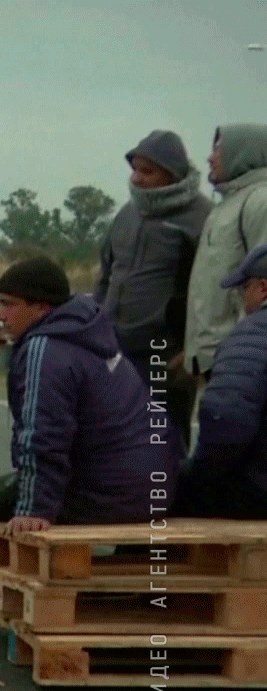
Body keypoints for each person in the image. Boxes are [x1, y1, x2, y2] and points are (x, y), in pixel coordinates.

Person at [0, 258, 176, 534]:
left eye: (9, 304)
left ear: (41, 307)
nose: (0, 314)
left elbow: (43, 435)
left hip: (111, 494)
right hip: (158, 487)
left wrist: (33, 509)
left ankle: (45, 574)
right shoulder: (88, 329)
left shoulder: (44, 350)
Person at [96, 131, 213, 455]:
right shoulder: (126, 214)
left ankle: (167, 505)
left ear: (172, 174)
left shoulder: (201, 218)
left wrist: (194, 348)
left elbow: (212, 291)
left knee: (163, 448)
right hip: (115, 351)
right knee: (114, 446)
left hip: (166, 354)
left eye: (148, 172)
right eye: (135, 170)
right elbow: (106, 275)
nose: (137, 179)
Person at [176, 241, 267, 519]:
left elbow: (226, 418)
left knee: (159, 488)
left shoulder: (251, 334)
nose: (243, 298)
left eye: (244, 289)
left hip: (256, 492)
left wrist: (200, 474)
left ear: (263, 287)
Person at [184, 125, 267, 379]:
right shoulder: (225, 207)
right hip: (216, 360)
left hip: (241, 360)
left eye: (218, 150)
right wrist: (194, 352)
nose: (209, 158)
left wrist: (243, 349)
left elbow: (263, 284)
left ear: (243, 153)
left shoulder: (260, 200)